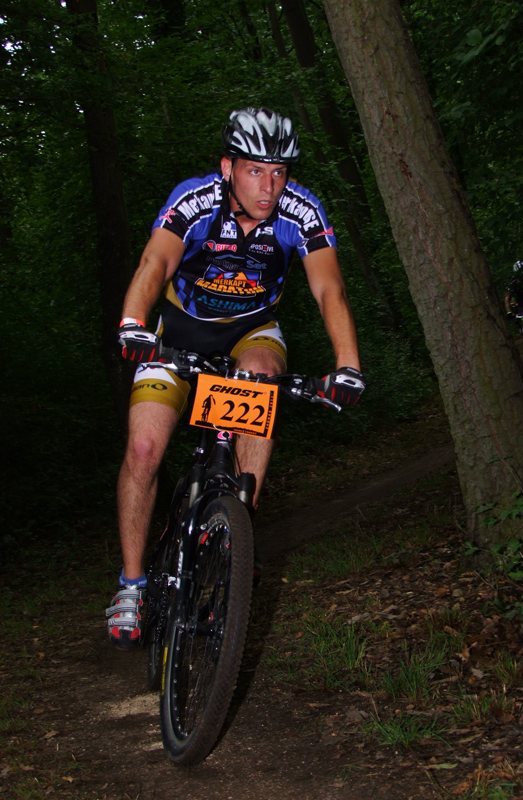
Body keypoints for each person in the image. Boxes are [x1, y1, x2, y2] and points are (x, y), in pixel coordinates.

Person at [106, 107, 365, 650]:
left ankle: (235, 532)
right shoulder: (195, 199)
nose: (269, 187)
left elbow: (329, 289)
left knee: (262, 375)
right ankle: (132, 583)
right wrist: (133, 324)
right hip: (179, 330)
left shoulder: (301, 211)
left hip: (251, 331)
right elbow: (155, 263)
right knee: (145, 449)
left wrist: (348, 366)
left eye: (279, 172)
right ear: (228, 167)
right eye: (255, 171)